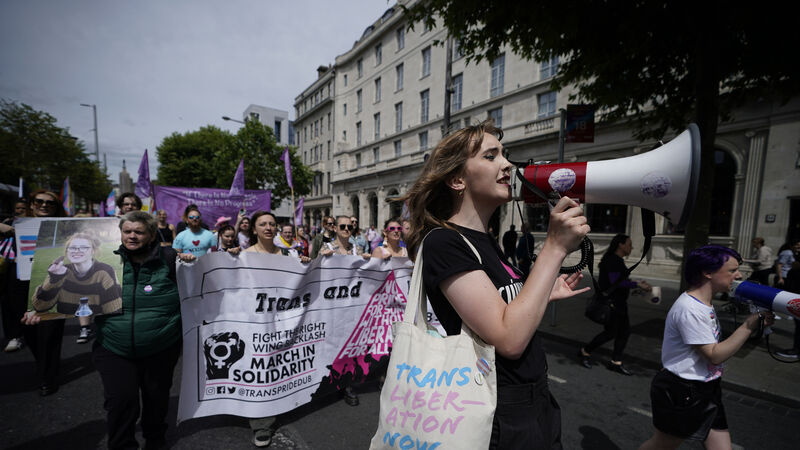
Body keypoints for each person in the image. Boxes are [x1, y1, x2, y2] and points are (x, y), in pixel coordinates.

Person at [401, 121, 589, 449]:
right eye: (491, 156)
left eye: (504, 154)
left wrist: (543, 293)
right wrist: (555, 246)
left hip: (535, 401)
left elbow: (503, 310)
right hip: (501, 411)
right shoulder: (444, 242)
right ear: (457, 179)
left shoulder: (485, 240)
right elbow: (508, 339)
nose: (507, 165)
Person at [639, 245, 774, 450]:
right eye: (732, 270)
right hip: (683, 391)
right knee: (662, 446)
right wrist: (749, 325)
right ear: (708, 272)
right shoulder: (690, 309)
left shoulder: (703, 304)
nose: (739, 275)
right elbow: (714, 355)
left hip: (707, 388)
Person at [94, 211, 187, 448]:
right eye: (127, 231)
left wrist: (194, 264)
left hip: (160, 347)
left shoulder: (171, 258)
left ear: (152, 235)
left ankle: (155, 440)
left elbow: (202, 284)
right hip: (113, 346)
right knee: (120, 401)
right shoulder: (106, 259)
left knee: (156, 399)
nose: (132, 236)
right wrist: (41, 311)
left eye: (139, 232)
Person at [244, 211, 309, 446]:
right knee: (260, 366)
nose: (268, 228)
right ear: (254, 229)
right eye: (263, 224)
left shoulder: (287, 255)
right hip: (256, 320)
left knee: (279, 363)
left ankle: (279, 401)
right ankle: (261, 423)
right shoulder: (244, 256)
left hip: (282, 319)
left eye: (272, 224)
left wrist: (306, 265)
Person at [579, 234, 651, 375]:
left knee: (622, 332)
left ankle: (615, 361)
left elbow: (619, 280)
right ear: (620, 245)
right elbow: (616, 281)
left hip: (618, 303)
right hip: (612, 304)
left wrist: (636, 284)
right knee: (612, 332)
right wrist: (637, 285)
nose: (631, 248)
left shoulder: (615, 260)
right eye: (629, 244)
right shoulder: (612, 260)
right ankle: (586, 351)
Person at [19, 190, 68, 395]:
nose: (44, 205)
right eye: (39, 201)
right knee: (29, 332)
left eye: (50, 203)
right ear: (31, 204)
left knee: (49, 333)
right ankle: (44, 364)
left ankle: (47, 378)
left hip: (53, 285)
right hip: (19, 286)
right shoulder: (16, 226)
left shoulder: (65, 229)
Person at [31, 232, 122, 319]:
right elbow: (40, 306)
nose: (77, 251)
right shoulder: (60, 271)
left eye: (83, 247)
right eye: (72, 248)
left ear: (93, 251)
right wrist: (54, 279)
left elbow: (114, 311)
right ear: (67, 251)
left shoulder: (105, 272)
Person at [1, 198, 28, 352]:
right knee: (9, 302)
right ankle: (14, 335)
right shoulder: (7, 223)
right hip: (10, 268)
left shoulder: (34, 223)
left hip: (28, 268)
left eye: (23, 208)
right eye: (18, 208)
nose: (20, 211)